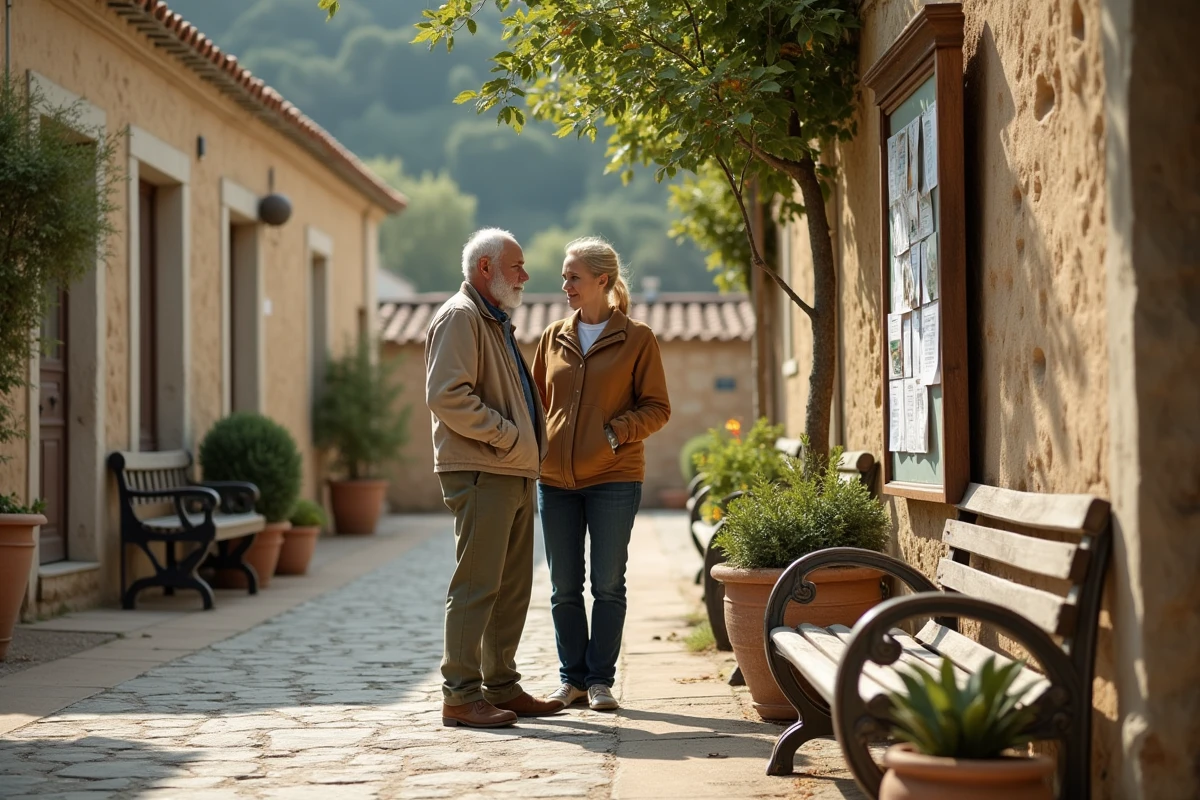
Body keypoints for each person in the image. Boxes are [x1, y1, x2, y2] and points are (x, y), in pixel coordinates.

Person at [424, 227, 563, 728]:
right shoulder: (461, 317)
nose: (526, 275)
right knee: (477, 584)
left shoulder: (494, 320)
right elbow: (447, 395)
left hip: (511, 470)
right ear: (485, 268)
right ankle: (460, 696)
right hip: (485, 469)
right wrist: (506, 436)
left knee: (509, 586)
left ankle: (501, 684)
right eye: (517, 266)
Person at [533, 236, 671, 711]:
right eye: (565, 275)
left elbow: (657, 408)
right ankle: (570, 679)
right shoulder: (553, 337)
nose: (565, 284)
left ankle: (599, 681)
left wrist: (615, 433)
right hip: (554, 480)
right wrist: (537, 446)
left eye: (573, 276)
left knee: (608, 584)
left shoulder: (638, 338)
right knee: (563, 587)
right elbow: (537, 403)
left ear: (602, 281)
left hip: (615, 476)